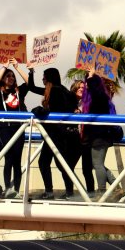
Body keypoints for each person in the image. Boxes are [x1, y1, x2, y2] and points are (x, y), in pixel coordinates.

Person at [28, 67, 79, 200]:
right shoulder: (65, 91)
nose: (42, 79)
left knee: (47, 162)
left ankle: (53, 192)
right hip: (61, 133)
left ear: (49, 78)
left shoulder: (55, 91)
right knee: (59, 163)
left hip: (55, 133)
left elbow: (53, 110)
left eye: (44, 77)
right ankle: (68, 192)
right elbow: (32, 87)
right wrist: (30, 72)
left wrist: (38, 110)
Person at [0, 57, 28, 198]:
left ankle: (17, 191)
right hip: (5, 129)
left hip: (18, 129)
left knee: (17, 161)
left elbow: (28, 82)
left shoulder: (18, 92)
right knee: (9, 159)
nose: (11, 78)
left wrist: (17, 67)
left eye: (13, 76)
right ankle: (8, 189)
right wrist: (4, 67)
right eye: (8, 76)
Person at [80, 69, 120, 200]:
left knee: (97, 164)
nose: (86, 85)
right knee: (97, 163)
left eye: (87, 82)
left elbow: (95, 93)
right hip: (98, 135)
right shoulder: (98, 97)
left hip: (100, 135)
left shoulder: (100, 96)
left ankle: (101, 191)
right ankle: (116, 187)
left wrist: (91, 77)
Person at [72, 79, 95, 195]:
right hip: (74, 139)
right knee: (68, 167)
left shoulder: (87, 102)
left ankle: (91, 193)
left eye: (83, 88)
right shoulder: (70, 102)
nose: (81, 89)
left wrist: (90, 77)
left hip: (86, 139)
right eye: (79, 87)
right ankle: (69, 192)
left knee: (87, 169)